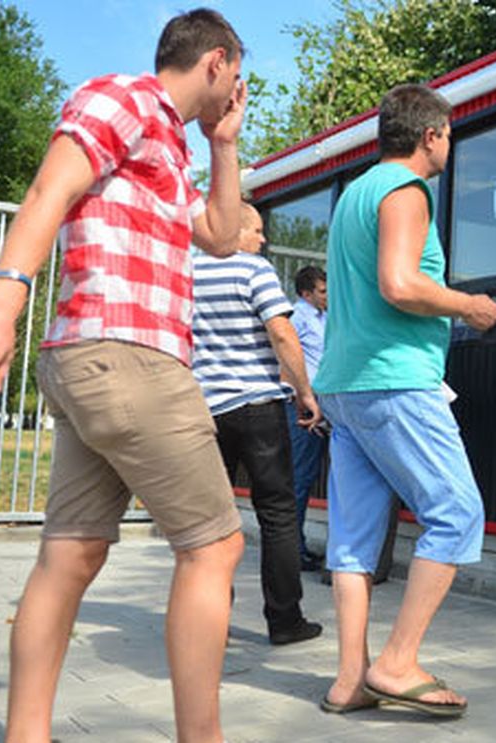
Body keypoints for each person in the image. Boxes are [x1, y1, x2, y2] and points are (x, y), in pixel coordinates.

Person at [0, 9, 248, 743]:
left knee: (73, 551)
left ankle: (26, 734)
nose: (237, 91)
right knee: (214, 546)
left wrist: (224, 144)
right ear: (215, 61)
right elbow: (49, 189)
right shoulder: (126, 97)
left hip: (92, 360)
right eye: (236, 76)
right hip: (131, 353)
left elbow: (222, 235)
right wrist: (0, 302)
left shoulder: (171, 143)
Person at [314, 83, 496, 718]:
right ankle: (396, 663)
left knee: (353, 540)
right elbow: (399, 283)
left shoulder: (353, 196)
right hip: (393, 380)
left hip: (343, 384)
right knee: (457, 513)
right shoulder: (406, 189)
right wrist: (467, 305)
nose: (450, 146)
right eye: (449, 135)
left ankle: (350, 680)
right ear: (430, 135)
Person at [191, 203, 324, 646]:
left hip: (205, 410)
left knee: (211, 519)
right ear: (234, 229)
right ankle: (285, 621)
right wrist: (305, 392)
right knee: (278, 514)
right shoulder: (254, 270)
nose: (263, 240)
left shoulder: (187, 272)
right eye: (257, 230)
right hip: (258, 406)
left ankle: (211, 621)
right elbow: (282, 333)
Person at [286, 264, 328, 571]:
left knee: (310, 474)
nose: (327, 296)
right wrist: (299, 395)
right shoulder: (296, 318)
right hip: (304, 404)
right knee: (300, 477)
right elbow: (284, 356)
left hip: (325, 403)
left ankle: (297, 546)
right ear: (306, 293)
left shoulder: (324, 318)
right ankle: (292, 552)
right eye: (322, 291)